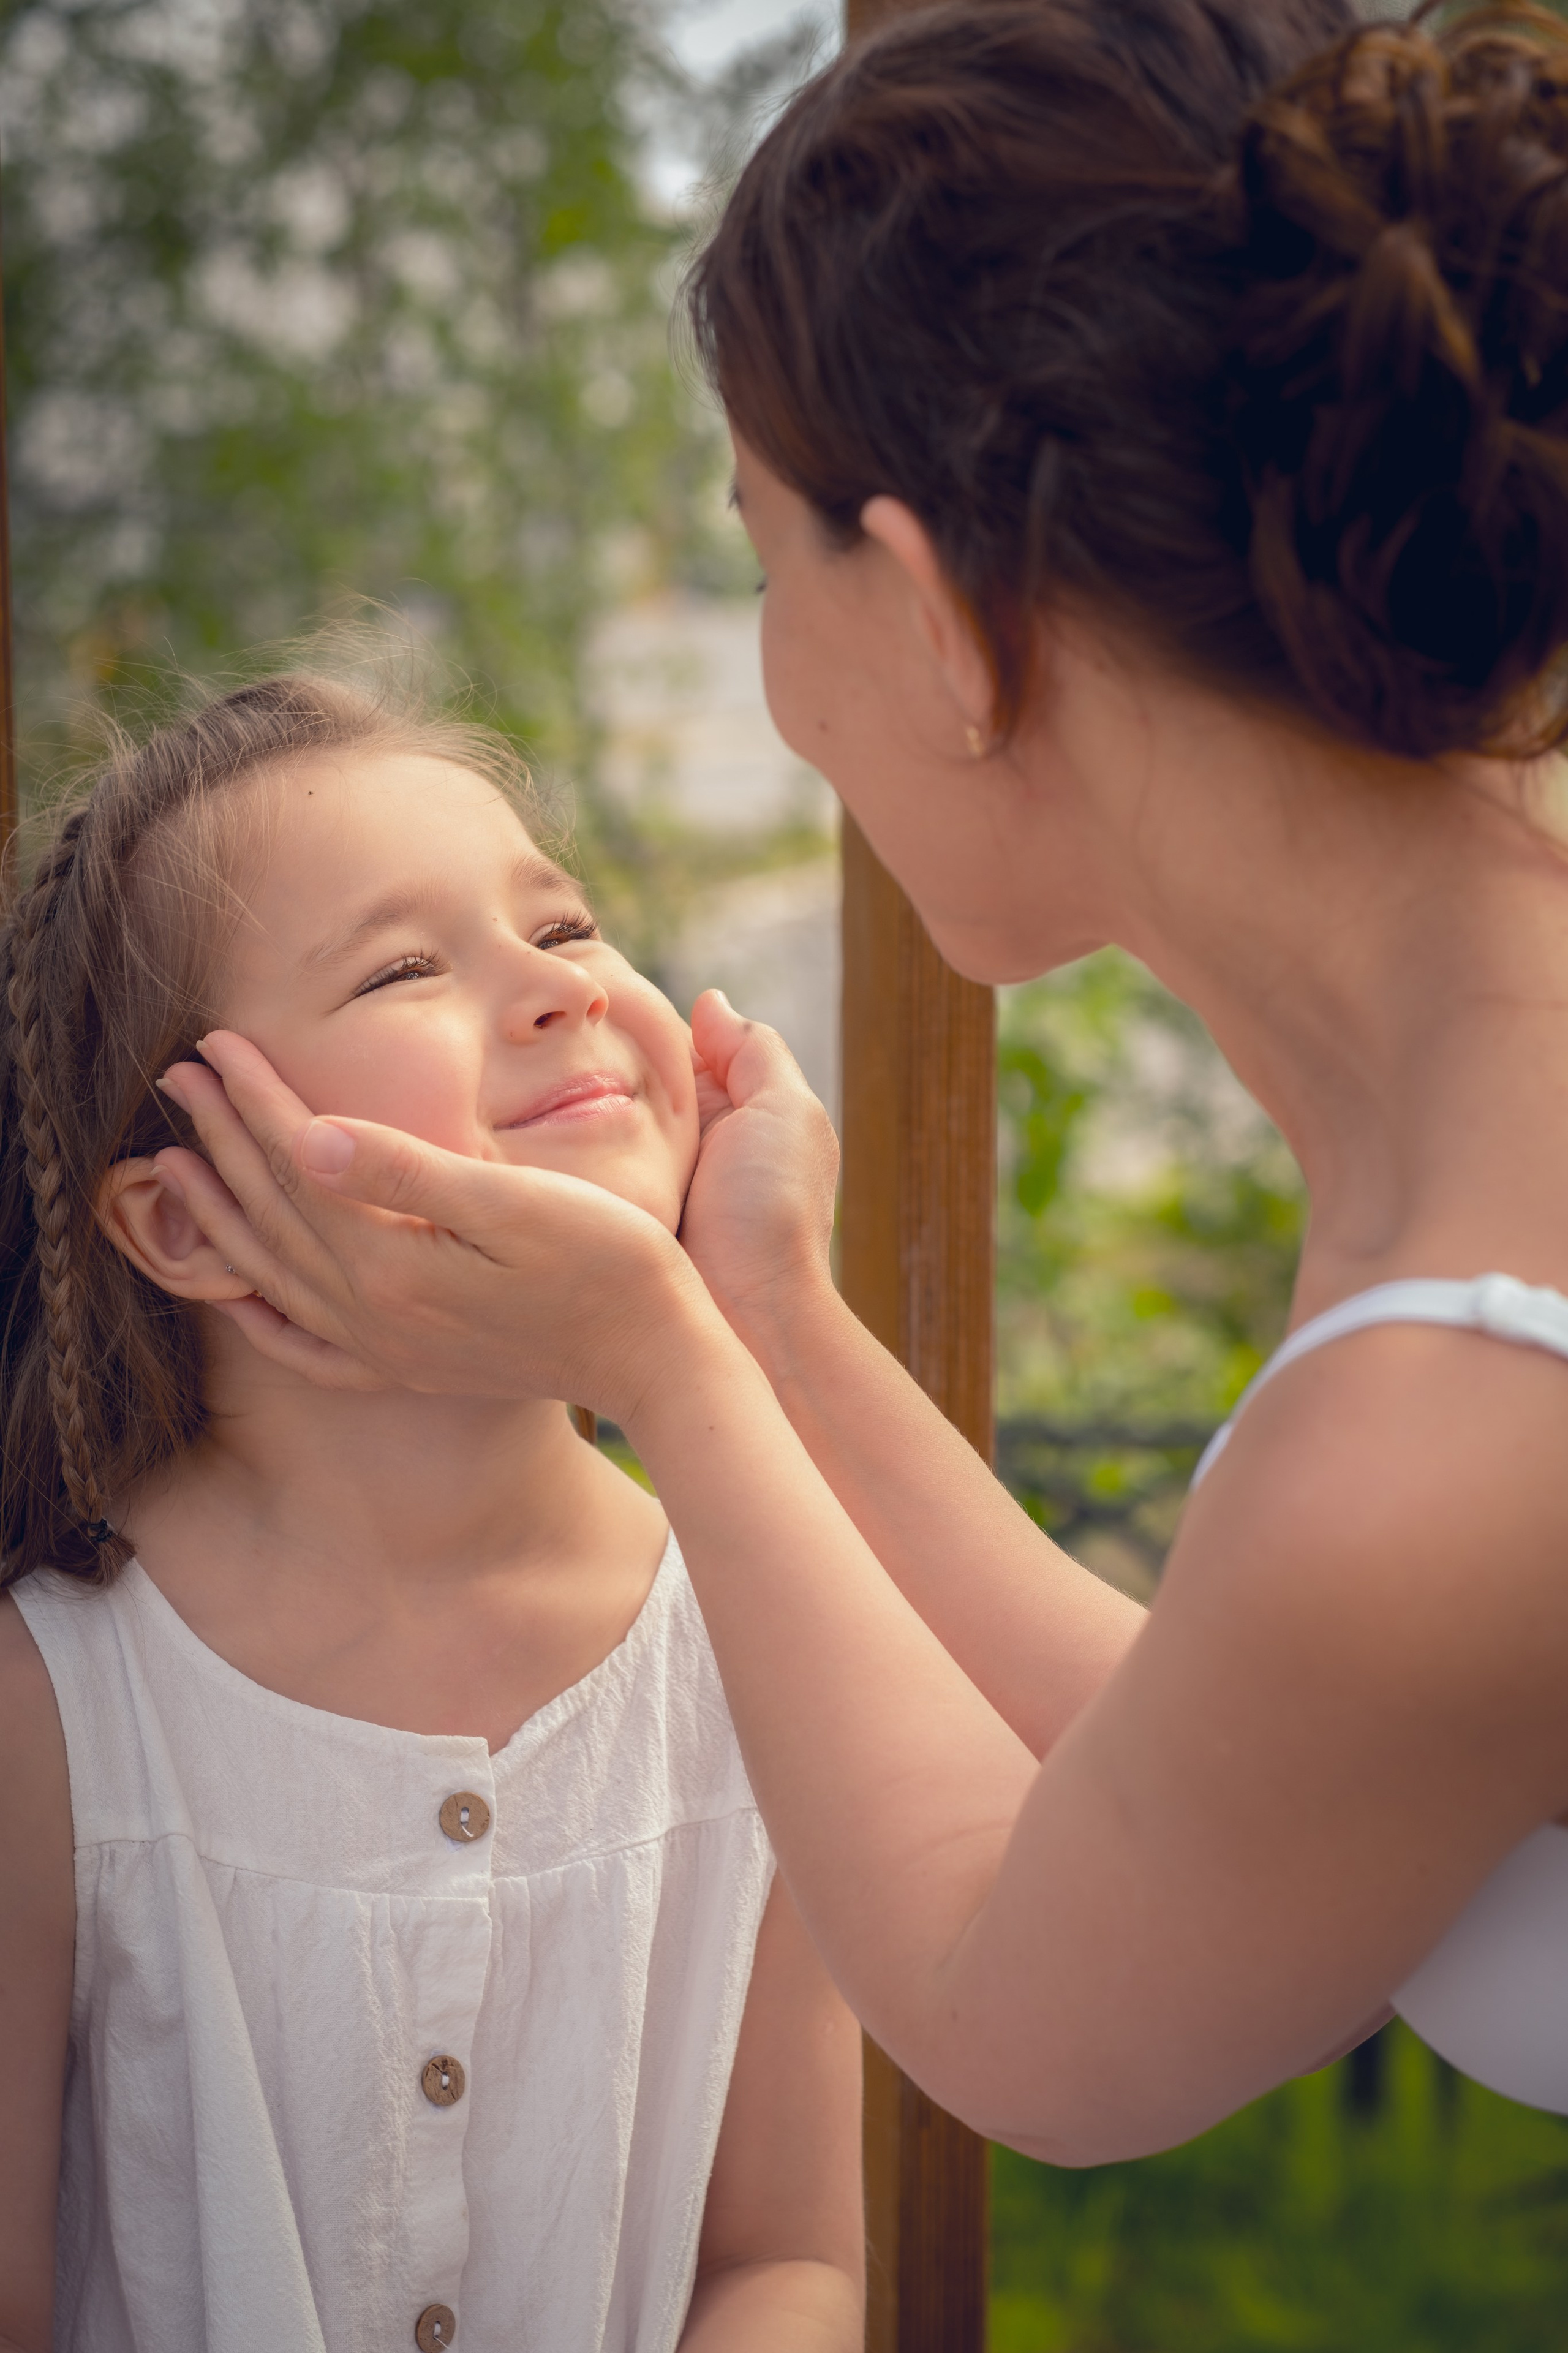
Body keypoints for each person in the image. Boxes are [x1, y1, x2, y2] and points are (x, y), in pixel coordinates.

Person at [138, 0, 1568, 2170]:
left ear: (936, 613)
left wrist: (668, 1360)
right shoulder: (1471, 1158)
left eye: (756, 550)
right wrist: (773, 1321)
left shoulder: (1437, 1429)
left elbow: (1036, 2000)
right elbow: (1221, 1790)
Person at [0, 673, 864, 2353]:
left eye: (569, 919)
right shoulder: (56, 1701)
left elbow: (788, 2259)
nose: (559, 985)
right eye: (407, 963)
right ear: (184, 1220)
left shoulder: (761, 1622)